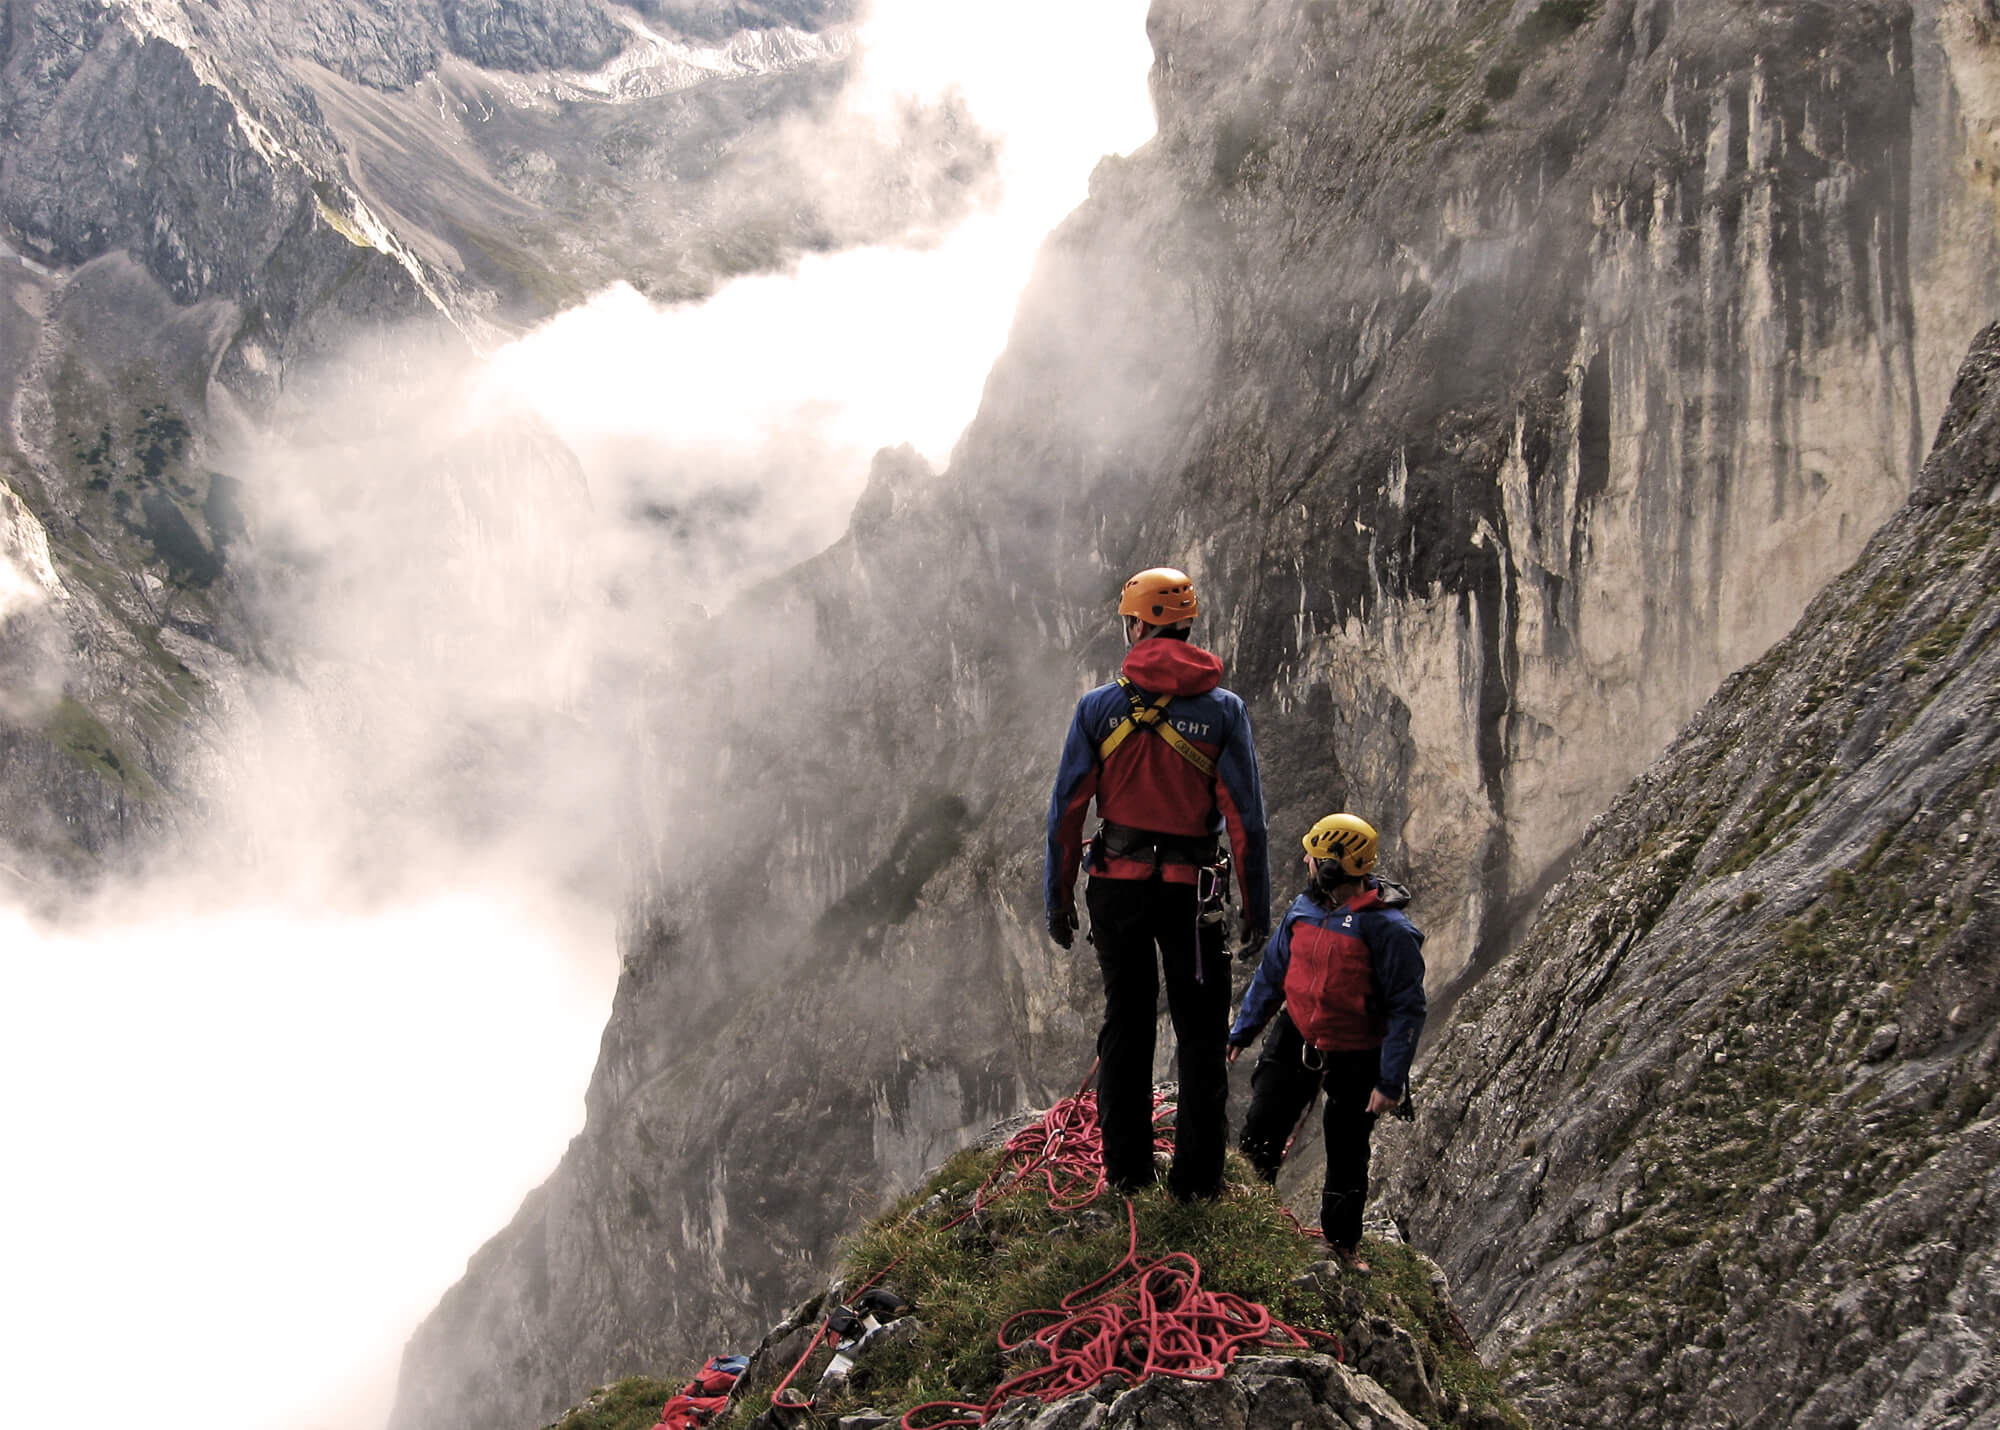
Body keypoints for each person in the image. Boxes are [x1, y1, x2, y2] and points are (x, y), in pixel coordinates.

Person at [1045, 567, 1271, 1200]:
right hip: (1191, 895)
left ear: (1140, 625)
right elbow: (1246, 821)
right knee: (1201, 1034)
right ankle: (1197, 1182)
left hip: (1116, 889)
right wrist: (1256, 908)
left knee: (1128, 1023)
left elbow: (1067, 813)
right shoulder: (1223, 711)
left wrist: (1058, 899)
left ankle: (1127, 1174)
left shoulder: (1098, 709)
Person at [1227, 813, 1425, 1269]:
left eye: (1314, 856)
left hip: (1358, 1052)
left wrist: (1390, 1082)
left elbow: (1406, 1009)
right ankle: (1248, 1221)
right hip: (1297, 1033)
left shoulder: (1389, 931)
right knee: (1261, 1127)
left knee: (1347, 1147)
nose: (1305, 861)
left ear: (1334, 866)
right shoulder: (1304, 910)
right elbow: (1273, 974)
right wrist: (1244, 1030)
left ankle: (1342, 1242)